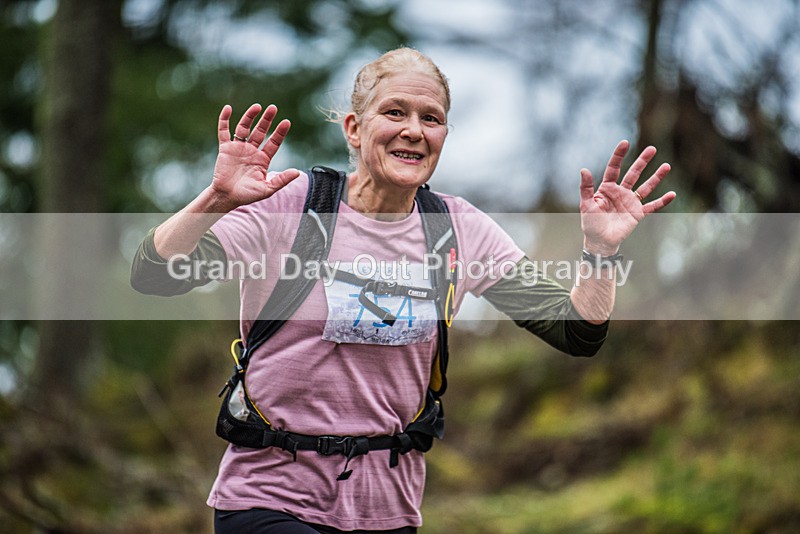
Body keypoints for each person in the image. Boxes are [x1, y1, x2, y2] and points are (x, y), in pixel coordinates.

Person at [131, 47, 674, 533]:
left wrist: (601, 251)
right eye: (395, 112)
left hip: (388, 510)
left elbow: (576, 331)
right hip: (271, 497)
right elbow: (154, 275)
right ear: (353, 128)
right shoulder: (293, 206)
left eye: (431, 119)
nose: (414, 130)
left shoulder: (458, 229)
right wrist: (215, 201)